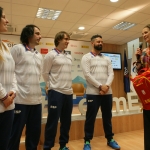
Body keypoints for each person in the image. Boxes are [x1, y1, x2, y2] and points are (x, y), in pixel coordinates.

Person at [81, 34, 120, 150]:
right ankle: (87, 141)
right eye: (98, 42)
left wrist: (106, 86)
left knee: (107, 117)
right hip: (93, 93)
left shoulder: (107, 58)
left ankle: (110, 139)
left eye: (102, 42)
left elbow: (111, 74)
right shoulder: (86, 57)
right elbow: (87, 75)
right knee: (90, 118)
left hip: (107, 92)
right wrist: (100, 86)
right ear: (92, 43)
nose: (100, 43)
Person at [8, 24, 43, 150]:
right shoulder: (17, 49)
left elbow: (38, 76)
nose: (40, 36)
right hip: (20, 100)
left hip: (37, 102)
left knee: (34, 135)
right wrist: (13, 90)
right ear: (29, 35)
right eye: (37, 33)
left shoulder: (39, 55)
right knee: (14, 135)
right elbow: (9, 71)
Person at [42, 31, 73, 150]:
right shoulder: (51, 55)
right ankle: (47, 146)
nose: (67, 41)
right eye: (65, 39)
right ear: (58, 40)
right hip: (56, 92)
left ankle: (63, 145)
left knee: (66, 122)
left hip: (68, 93)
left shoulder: (69, 56)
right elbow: (45, 73)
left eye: (68, 39)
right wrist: (50, 86)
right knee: (52, 121)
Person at [0, 6, 17, 150]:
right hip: (3, 101)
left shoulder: (4, 46)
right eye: (4, 17)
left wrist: (13, 91)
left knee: (4, 144)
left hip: (9, 105)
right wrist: (4, 96)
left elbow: (13, 72)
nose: (7, 20)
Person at [135, 24, 150, 150]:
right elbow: (139, 71)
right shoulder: (144, 51)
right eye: (143, 33)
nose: (144, 35)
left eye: (146, 32)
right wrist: (138, 58)